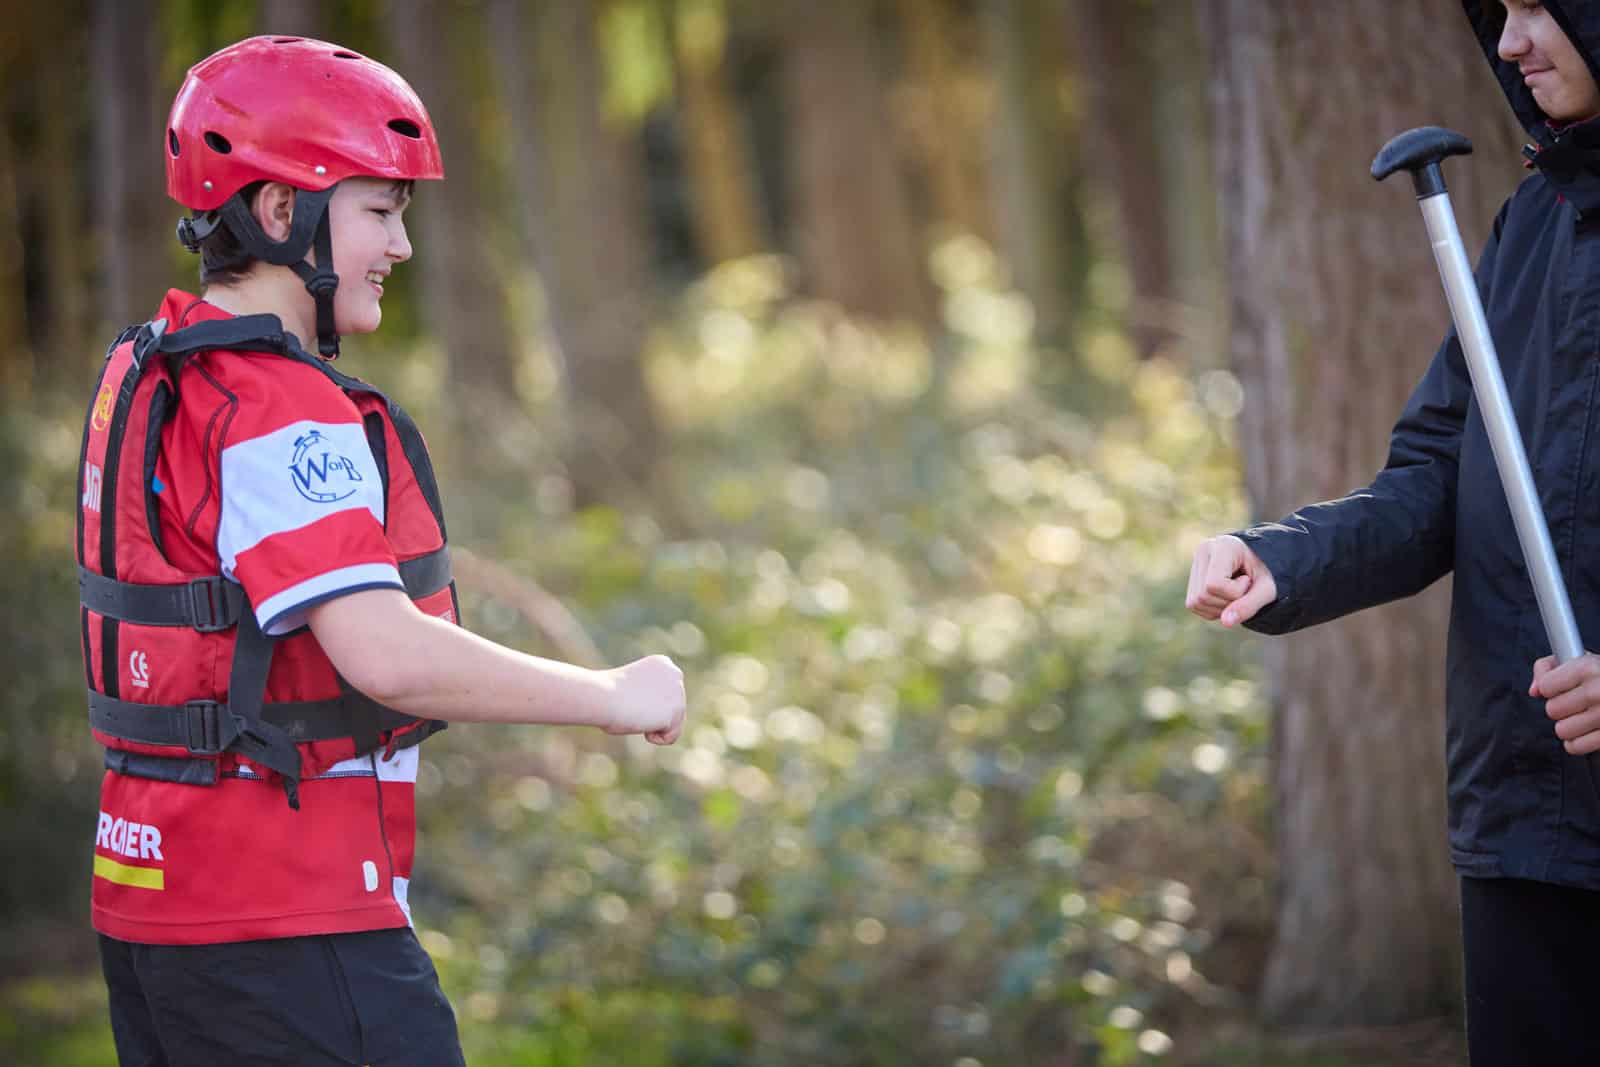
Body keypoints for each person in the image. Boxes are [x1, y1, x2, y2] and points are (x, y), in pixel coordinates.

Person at [78, 35, 686, 1067]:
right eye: (380, 210)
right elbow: (387, 654)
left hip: (155, 907)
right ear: (281, 214)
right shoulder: (276, 406)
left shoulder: (156, 370)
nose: (401, 245)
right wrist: (611, 692)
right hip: (292, 925)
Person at [1187, 2, 1600, 1064]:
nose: (1509, 44)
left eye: (1539, 8)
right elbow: (1435, 479)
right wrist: (1279, 561)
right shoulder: (1532, 228)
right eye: (1498, 12)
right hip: (1527, 813)